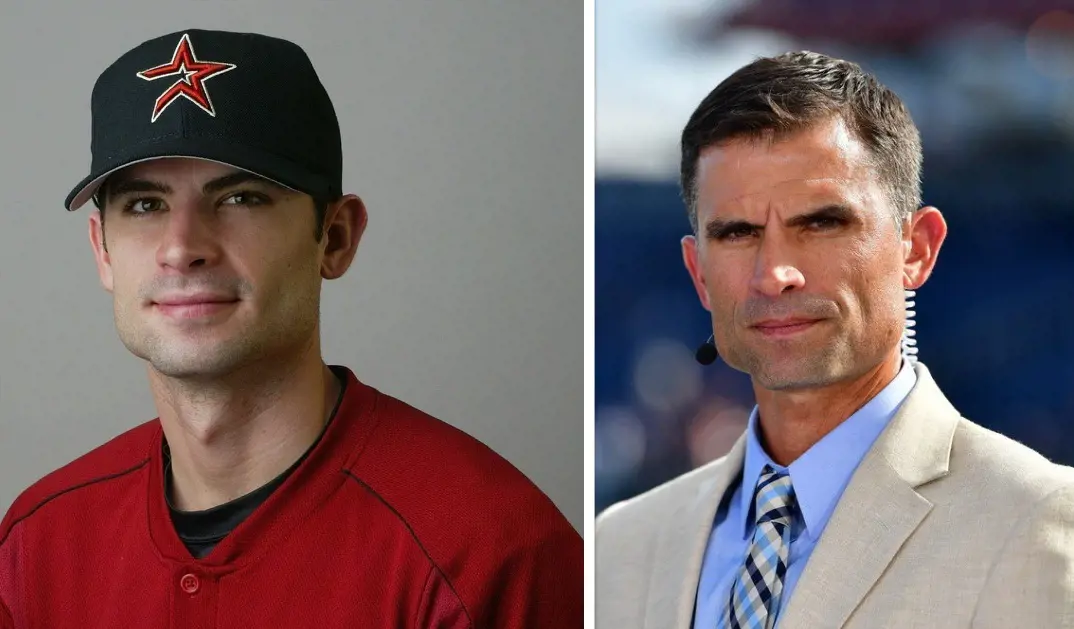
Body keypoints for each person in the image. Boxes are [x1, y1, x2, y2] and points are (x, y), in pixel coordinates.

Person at [0, 29, 581, 628]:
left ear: (334, 237)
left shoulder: (490, 552)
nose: (182, 248)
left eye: (241, 198)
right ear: (102, 252)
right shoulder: (36, 543)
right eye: (144, 205)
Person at [595, 51, 1074, 628]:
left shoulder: (1035, 520)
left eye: (821, 224)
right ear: (699, 274)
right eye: (738, 233)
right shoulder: (620, 546)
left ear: (917, 248)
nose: (775, 273)